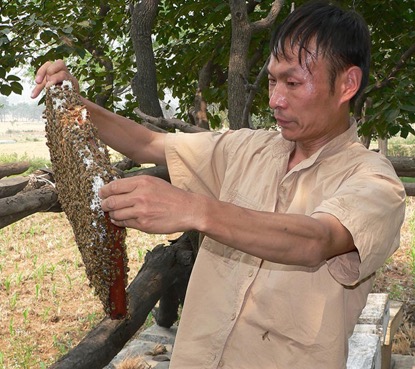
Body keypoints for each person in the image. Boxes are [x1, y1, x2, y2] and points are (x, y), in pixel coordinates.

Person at [32, 1, 405, 368]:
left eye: (293, 82)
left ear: (347, 84)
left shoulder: (375, 182)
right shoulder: (246, 148)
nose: (275, 99)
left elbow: (316, 240)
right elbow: (147, 143)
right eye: (273, 80)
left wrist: (194, 209)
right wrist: (74, 104)